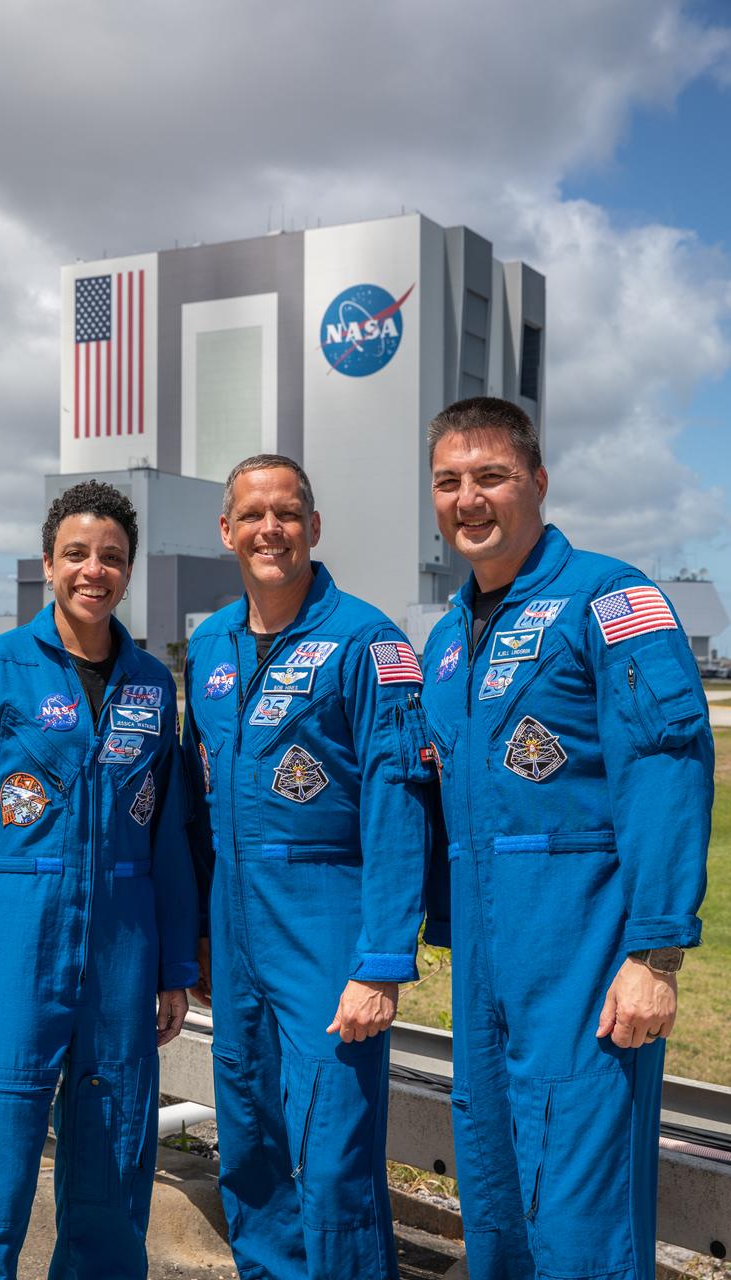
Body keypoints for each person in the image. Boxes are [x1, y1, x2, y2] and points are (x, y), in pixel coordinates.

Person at [421, 397, 713, 1280]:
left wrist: (654, 955)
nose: (469, 499)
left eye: (491, 477)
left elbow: (664, 767)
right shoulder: (443, 642)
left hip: (581, 957)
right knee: (497, 1204)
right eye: (448, 482)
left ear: (537, 482)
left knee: (579, 1220)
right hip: (480, 968)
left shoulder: (608, 598)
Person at [0, 480, 199, 1280]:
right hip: (17, 939)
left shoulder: (150, 682)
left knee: (115, 1149)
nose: (93, 570)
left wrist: (175, 965)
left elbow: (168, 838)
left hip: (123, 948)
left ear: (128, 570)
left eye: (111, 557)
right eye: (76, 554)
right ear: (48, 564)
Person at [181, 454, 438, 1280]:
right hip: (235, 915)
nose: (270, 529)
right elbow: (197, 798)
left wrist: (382, 958)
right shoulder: (209, 643)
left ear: (313, 528)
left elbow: (398, 804)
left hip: (326, 910)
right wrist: (199, 937)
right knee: (249, 1132)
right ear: (226, 532)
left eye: (286, 513)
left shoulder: (366, 641)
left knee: (332, 1148)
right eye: (252, 514)